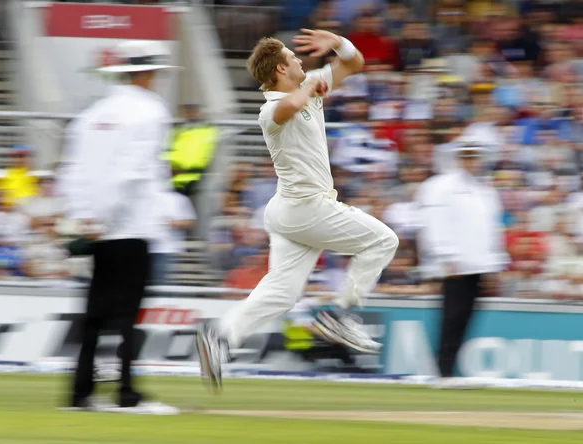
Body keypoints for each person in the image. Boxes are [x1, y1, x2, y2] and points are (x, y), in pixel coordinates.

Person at [197, 29, 399, 391]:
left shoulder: (309, 83)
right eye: (293, 58)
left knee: (282, 293)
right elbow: (289, 107)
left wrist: (336, 42)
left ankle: (221, 338)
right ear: (279, 70)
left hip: (289, 212)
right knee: (384, 241)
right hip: (307, 207)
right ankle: (341, 312)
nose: (301, 60)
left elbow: (355, 63)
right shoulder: (269, 108)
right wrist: (310, 88)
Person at [59, 40, 178, 414]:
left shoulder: (92, 114)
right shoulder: (150, 112)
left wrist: (85, 218)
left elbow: (71, 171)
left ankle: (80, 394)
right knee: (127, 315)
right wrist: (106, 217)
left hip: (96, 227)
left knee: (94, 313)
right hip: (129, 225)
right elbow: (132, 172)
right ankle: (126, 394)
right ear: (147, 73)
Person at [417, 137, 509, 389]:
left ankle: (450, 370)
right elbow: (434, 223)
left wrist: (494, 264)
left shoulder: (486, 190)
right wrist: (444, 256)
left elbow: (493, 229)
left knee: (466, 318)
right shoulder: (440, 186)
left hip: (478, 264)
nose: (470, 162)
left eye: (474, 157)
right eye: (466, 156)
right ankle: (443, 371)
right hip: (455, 265)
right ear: (457, 158)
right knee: (452, 317)